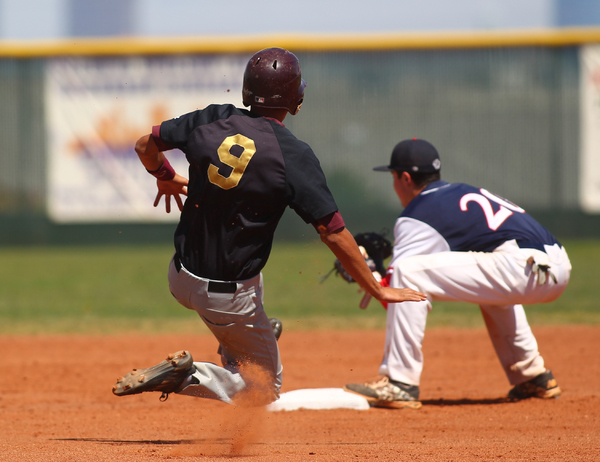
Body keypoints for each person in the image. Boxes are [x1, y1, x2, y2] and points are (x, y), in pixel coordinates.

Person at [111, 48, 426, 406]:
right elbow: (333, 232)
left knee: (249, 287)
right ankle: (190, 375)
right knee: (263, 389)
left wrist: (164, 176)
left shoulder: (212, 118)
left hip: (180, 275)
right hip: (227, 296)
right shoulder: (292, 155)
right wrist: (379, 289)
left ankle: (246, 339)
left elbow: (144, 145)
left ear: (247, 91)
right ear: (297, 99)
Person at [344, 138, 572, 410]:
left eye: (393, 177)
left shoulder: (417, 214)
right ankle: (533, 376)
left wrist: (368, 271)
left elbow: (397, 292)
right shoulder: (461, 191)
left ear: (405, 178)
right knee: (489, 285)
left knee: (407, 272)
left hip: (522, 266)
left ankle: (400, 382)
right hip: (558, 265)